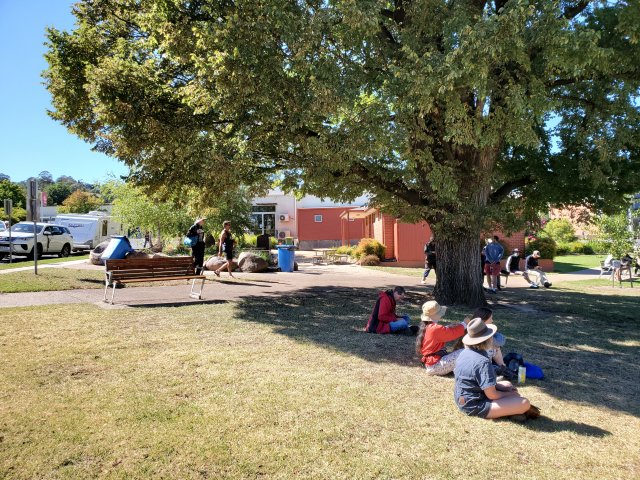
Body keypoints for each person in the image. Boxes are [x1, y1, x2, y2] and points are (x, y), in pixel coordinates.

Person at [454, 318, 540, 419]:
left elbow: (477, 382)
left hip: (462, 398)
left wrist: (504, 389)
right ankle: (514, 411)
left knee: (507, 384)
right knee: (524, 402)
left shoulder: (464, 353)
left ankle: (511, 410)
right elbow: (492, 395)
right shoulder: (482, 361)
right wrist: (509, 394)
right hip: (474, 405)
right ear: (488, 340)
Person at [417, 300, 470, 376]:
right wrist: (464, 324)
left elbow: (441, 332)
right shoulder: (435, 328)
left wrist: (448, 327)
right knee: (466, 352)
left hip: (432, 364)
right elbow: (452, 334)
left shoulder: (428, 326)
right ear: (435, 315)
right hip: (435, 366)